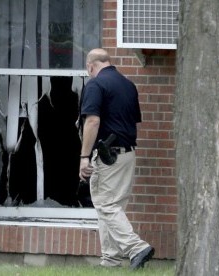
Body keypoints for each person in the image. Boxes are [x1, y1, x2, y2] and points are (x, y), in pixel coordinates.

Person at [78, 48, 154, 269]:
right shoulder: (128, 85)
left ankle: (136, 247)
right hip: (127, 154)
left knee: (105, 204)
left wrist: (84, 157)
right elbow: (132, 121)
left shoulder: (95, 84)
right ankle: (110, 260)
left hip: (108, 156)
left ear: (91, 66)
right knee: (112, 207)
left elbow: (92, 121)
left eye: (88, 69)